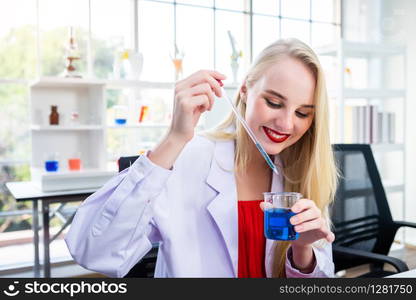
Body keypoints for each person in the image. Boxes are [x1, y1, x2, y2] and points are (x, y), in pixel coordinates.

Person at [65, 38, 338, 278]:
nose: (287, 124)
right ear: (244, 89)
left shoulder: (302, 168)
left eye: (303, 113)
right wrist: (175, 137)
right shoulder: (187, 157)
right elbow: (94, 250)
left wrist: (303, 252)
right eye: (274, 103)